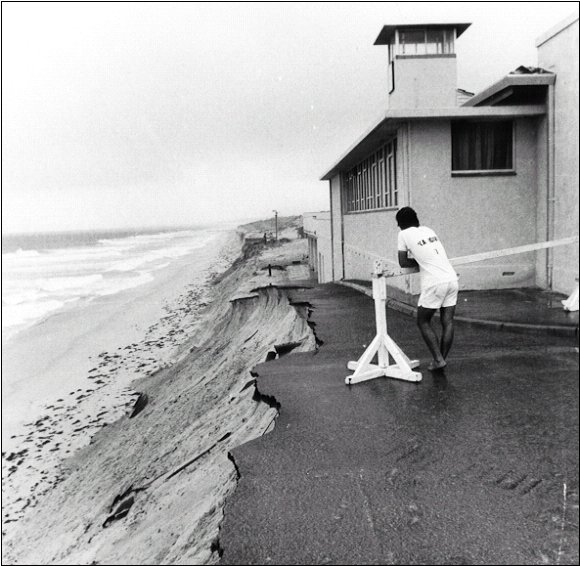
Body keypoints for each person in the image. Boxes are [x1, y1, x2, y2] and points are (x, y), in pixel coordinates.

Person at [396, 207, 458, 371]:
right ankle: (440, 360)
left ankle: (438, 359)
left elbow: (403, 262)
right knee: (448, 322)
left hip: (435, 283)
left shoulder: (403, 234)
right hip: (451, 279)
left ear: (400, 224)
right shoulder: (428, 229)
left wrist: (419, 262)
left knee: (422, 320)